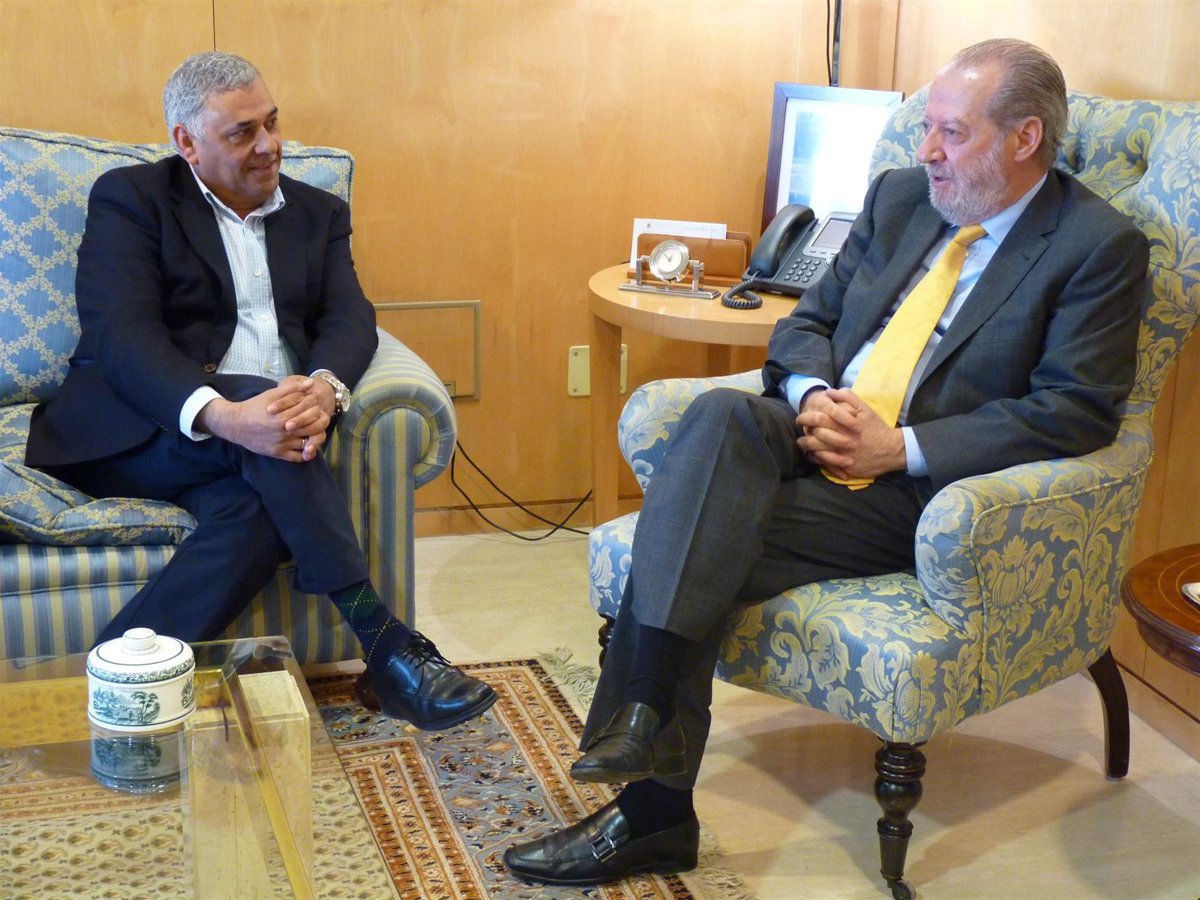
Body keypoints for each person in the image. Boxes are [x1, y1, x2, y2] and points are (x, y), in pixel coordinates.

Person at [504, 38, 1150, 885]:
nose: (927, 150)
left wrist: (900, 447)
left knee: (694, 533)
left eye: (952, 133)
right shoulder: (902, 198)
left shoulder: (1097, 246)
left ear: (1025, 138)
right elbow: (806, 321)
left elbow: (1075, 410)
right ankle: (648, 732)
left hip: (921, 491)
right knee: (720, 414)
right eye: (928, 127)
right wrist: (812, 395)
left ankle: (651, 797)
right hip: (817, 427)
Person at [25, 51, 496, 732]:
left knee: (258, 508)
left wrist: (326, 389)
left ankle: (105, 692)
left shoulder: (317, 212)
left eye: (272, 122)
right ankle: (386, 645)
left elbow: (349, 317)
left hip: (271, 444)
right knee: (263, 404)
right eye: (243, 132)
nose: (270, 144)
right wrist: (224, 414)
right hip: (138, 429)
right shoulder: (132, 198)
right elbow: (121, 335)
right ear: (187, 142)